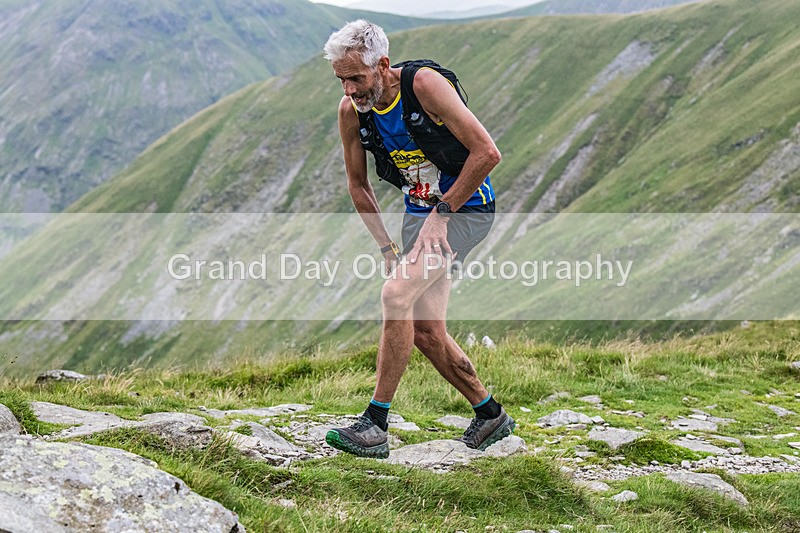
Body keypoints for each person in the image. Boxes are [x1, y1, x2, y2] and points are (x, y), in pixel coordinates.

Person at [322, 20, 514, 458]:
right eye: (341, 79)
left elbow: (487, 154)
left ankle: (375, 423)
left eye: (357, 77)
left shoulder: (424, 85)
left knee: (395, 295)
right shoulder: (351, 111)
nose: (350, 90)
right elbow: (358, 185)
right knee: (427, 331)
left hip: (465, 209)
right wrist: (387, 247)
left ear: (383, 65)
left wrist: (441, 215)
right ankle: (490, 415)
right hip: (418, 219)